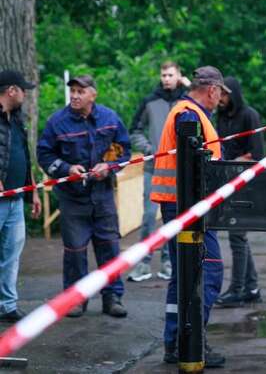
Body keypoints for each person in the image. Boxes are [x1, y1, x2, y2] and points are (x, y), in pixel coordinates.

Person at [150, 66, 229, 368]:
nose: (221, 99)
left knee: (182, 277)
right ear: (211, 90)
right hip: (187, 206)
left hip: (179, 204)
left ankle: (175, 343)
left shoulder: (185, 111)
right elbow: (196, 164)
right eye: (220, 93)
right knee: (207, 271)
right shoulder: (189, 116)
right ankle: (193, 342)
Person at [37, 75, 131, 319]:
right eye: (73, 91)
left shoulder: (110, 119)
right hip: (73, 198)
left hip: (103, 196)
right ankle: (75, 300)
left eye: (81, 91)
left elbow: (125, 152)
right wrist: (66, 169)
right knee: (75, 251)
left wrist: (108, 167)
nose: (75, 96)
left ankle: (112, 298)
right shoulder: (57, 122)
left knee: (109, 247)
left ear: (93, 94)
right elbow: (44, 155)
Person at [127, 61, 189, 282]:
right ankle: (144, 263)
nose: (166, 78)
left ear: (179, 76)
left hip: (181, 171)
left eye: (170, 74)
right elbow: (134, 130)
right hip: (153, 169)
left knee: (172, 219)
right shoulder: (150, 101)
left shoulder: (187, 101)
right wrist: (149, 149)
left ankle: (168, 263)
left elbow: (205, 121)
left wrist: (189, 87)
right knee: (148, 217)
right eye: (163, 75)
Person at [214, 77, 264, 308]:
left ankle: (237, 288)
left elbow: (256, 154)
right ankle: (251, 287)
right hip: (226, 180)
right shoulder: (220, 116)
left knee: (237, 235)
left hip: (244, 182)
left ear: (232, 94)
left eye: (223, 95)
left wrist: (233, 161)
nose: (220, 99)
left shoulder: (249, 115)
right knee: (238, 236)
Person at [0, 70, 42, 322]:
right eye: (23, 89)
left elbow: (24, 156)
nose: (25, 94)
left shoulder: (16, 118)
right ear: (11, 90)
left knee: (11, 255)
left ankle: (7, 305)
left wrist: (33, 190)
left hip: (15, 199)